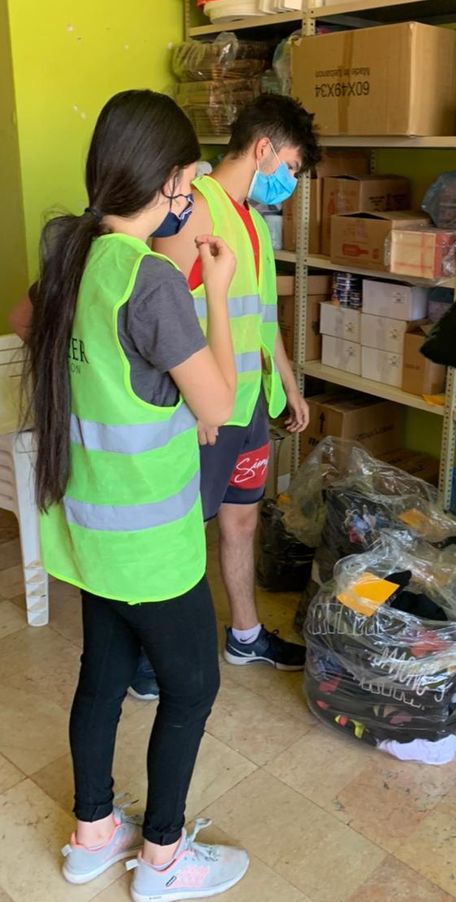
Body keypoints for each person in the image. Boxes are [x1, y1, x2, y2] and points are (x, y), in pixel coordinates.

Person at [16, 89, 250, 900]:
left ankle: (91, 836)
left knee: (101, 675)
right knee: (193, 686)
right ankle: (160, 859)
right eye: (187, 180)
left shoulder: (66, 250)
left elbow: (27, 322)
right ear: (171, 181)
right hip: (150, 542)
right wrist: (213, 291)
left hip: (88, 529)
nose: (190, 195)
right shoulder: (148, 280)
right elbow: (217, 407)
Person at [129, 93, 321, 699]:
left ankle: (245, 634)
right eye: (290, 166)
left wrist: (288, 385)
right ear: (264, 149)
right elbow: (159, 316)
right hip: (206, 414)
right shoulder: (195, 210)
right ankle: (144, 660)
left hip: (248, 408)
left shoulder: (253, 221)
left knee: (240, 521)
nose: (289, 180)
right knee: (180, 535)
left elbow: (260, 320)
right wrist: (192, 405)